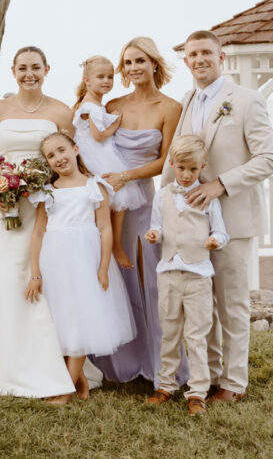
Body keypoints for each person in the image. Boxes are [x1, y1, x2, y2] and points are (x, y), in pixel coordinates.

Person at [166, 30, 273, 404]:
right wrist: (164, 207)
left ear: (221, 57)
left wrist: (220, 185)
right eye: (193, 54)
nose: (199, 59)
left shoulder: (246, 100)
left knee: (231, 305)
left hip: (233, 218)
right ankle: (210, 376)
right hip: (192, 225)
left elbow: (269, 159)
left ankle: (234, 383)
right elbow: (175, 158)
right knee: (202, 306)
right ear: (186, 61)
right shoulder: (187, 101)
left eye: (206, 53)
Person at [0, 45, 77, 399]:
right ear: (13, 71)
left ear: (47, 69)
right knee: (10, 274)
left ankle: (43, 360)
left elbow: (69, 159)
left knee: (39, 273)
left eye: (36, 68)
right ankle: (5, 362)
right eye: (23, 68)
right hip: (3, 207)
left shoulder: (61, 111)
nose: (30, 74)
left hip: (43, 205)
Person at [91, 36, 183, 386]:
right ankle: (118, 360)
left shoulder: (170, 108)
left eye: (140, 61)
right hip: (109, 203)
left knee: (150, 281)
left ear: (154, 64)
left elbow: (166, 161)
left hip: (144, 201)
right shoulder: (113, 104)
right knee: (115, 277)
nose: (133, 68)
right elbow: (92, 143)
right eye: (128, 62)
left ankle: (159, 363)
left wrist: (126, 176)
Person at [25, 131, 136, 403]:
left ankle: (66, 388)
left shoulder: (94, 186)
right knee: (65, 319)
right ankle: (80, 381)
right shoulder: (47, 192)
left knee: (83, 317)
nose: (58, 158)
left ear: (75, 149)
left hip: (86, 260)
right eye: (51, 155)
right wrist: (35, 273)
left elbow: (105, 228)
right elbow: (38, 232)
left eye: (62, 150)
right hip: (55, 261)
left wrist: (103, 267)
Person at [144, 135, 228, 415]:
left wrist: (215, 241)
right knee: (169, 332)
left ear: (202, 166)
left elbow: (221, 231)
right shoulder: (163, 195)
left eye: (193, 169)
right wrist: (155, 235)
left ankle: (198, 391)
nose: (187, 174)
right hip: (168, 273)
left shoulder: (208, 198)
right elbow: (157, 226)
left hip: (198, 275)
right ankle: (166, 385)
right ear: (172, 164)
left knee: (197, 335)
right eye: (181, 168)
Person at [72, 55, 146, 269]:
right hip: (96, 154)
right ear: (87, 80)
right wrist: (115, 124)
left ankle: (112, 242)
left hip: (99, 151)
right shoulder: (90, 107)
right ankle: (115, 244)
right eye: (100, 77)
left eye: (110, 77)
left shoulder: (95, 104)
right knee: (118, 194)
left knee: (115, 198)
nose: (106, 81)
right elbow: (98, 136)